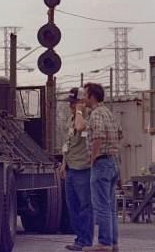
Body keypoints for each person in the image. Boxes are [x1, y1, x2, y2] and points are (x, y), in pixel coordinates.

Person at [75, 83, 120, 252]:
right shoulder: (108, 113)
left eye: (85, 95)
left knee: (101, 205)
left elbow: (99, 136)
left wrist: (93, 158)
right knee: (110, 207)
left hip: (101, 163)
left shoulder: (95, 114)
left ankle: (104, 243)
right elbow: (119, 133)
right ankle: (113, 242)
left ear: (92, 96)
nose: (82, 98)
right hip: (113, 161)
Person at [60, 88, 93, 251]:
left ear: (81, 102)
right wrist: (63, 163)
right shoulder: (71, 118)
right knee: (72, 206)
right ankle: (79, 238)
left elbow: (80, 128)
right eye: (70, 103)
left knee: (85, 206)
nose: (70, 106)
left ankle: (85, 241)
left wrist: (80, 110)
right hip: (71, 167)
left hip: (83, 168)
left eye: (73, 103)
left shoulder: (88, 117)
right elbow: (68, 142)